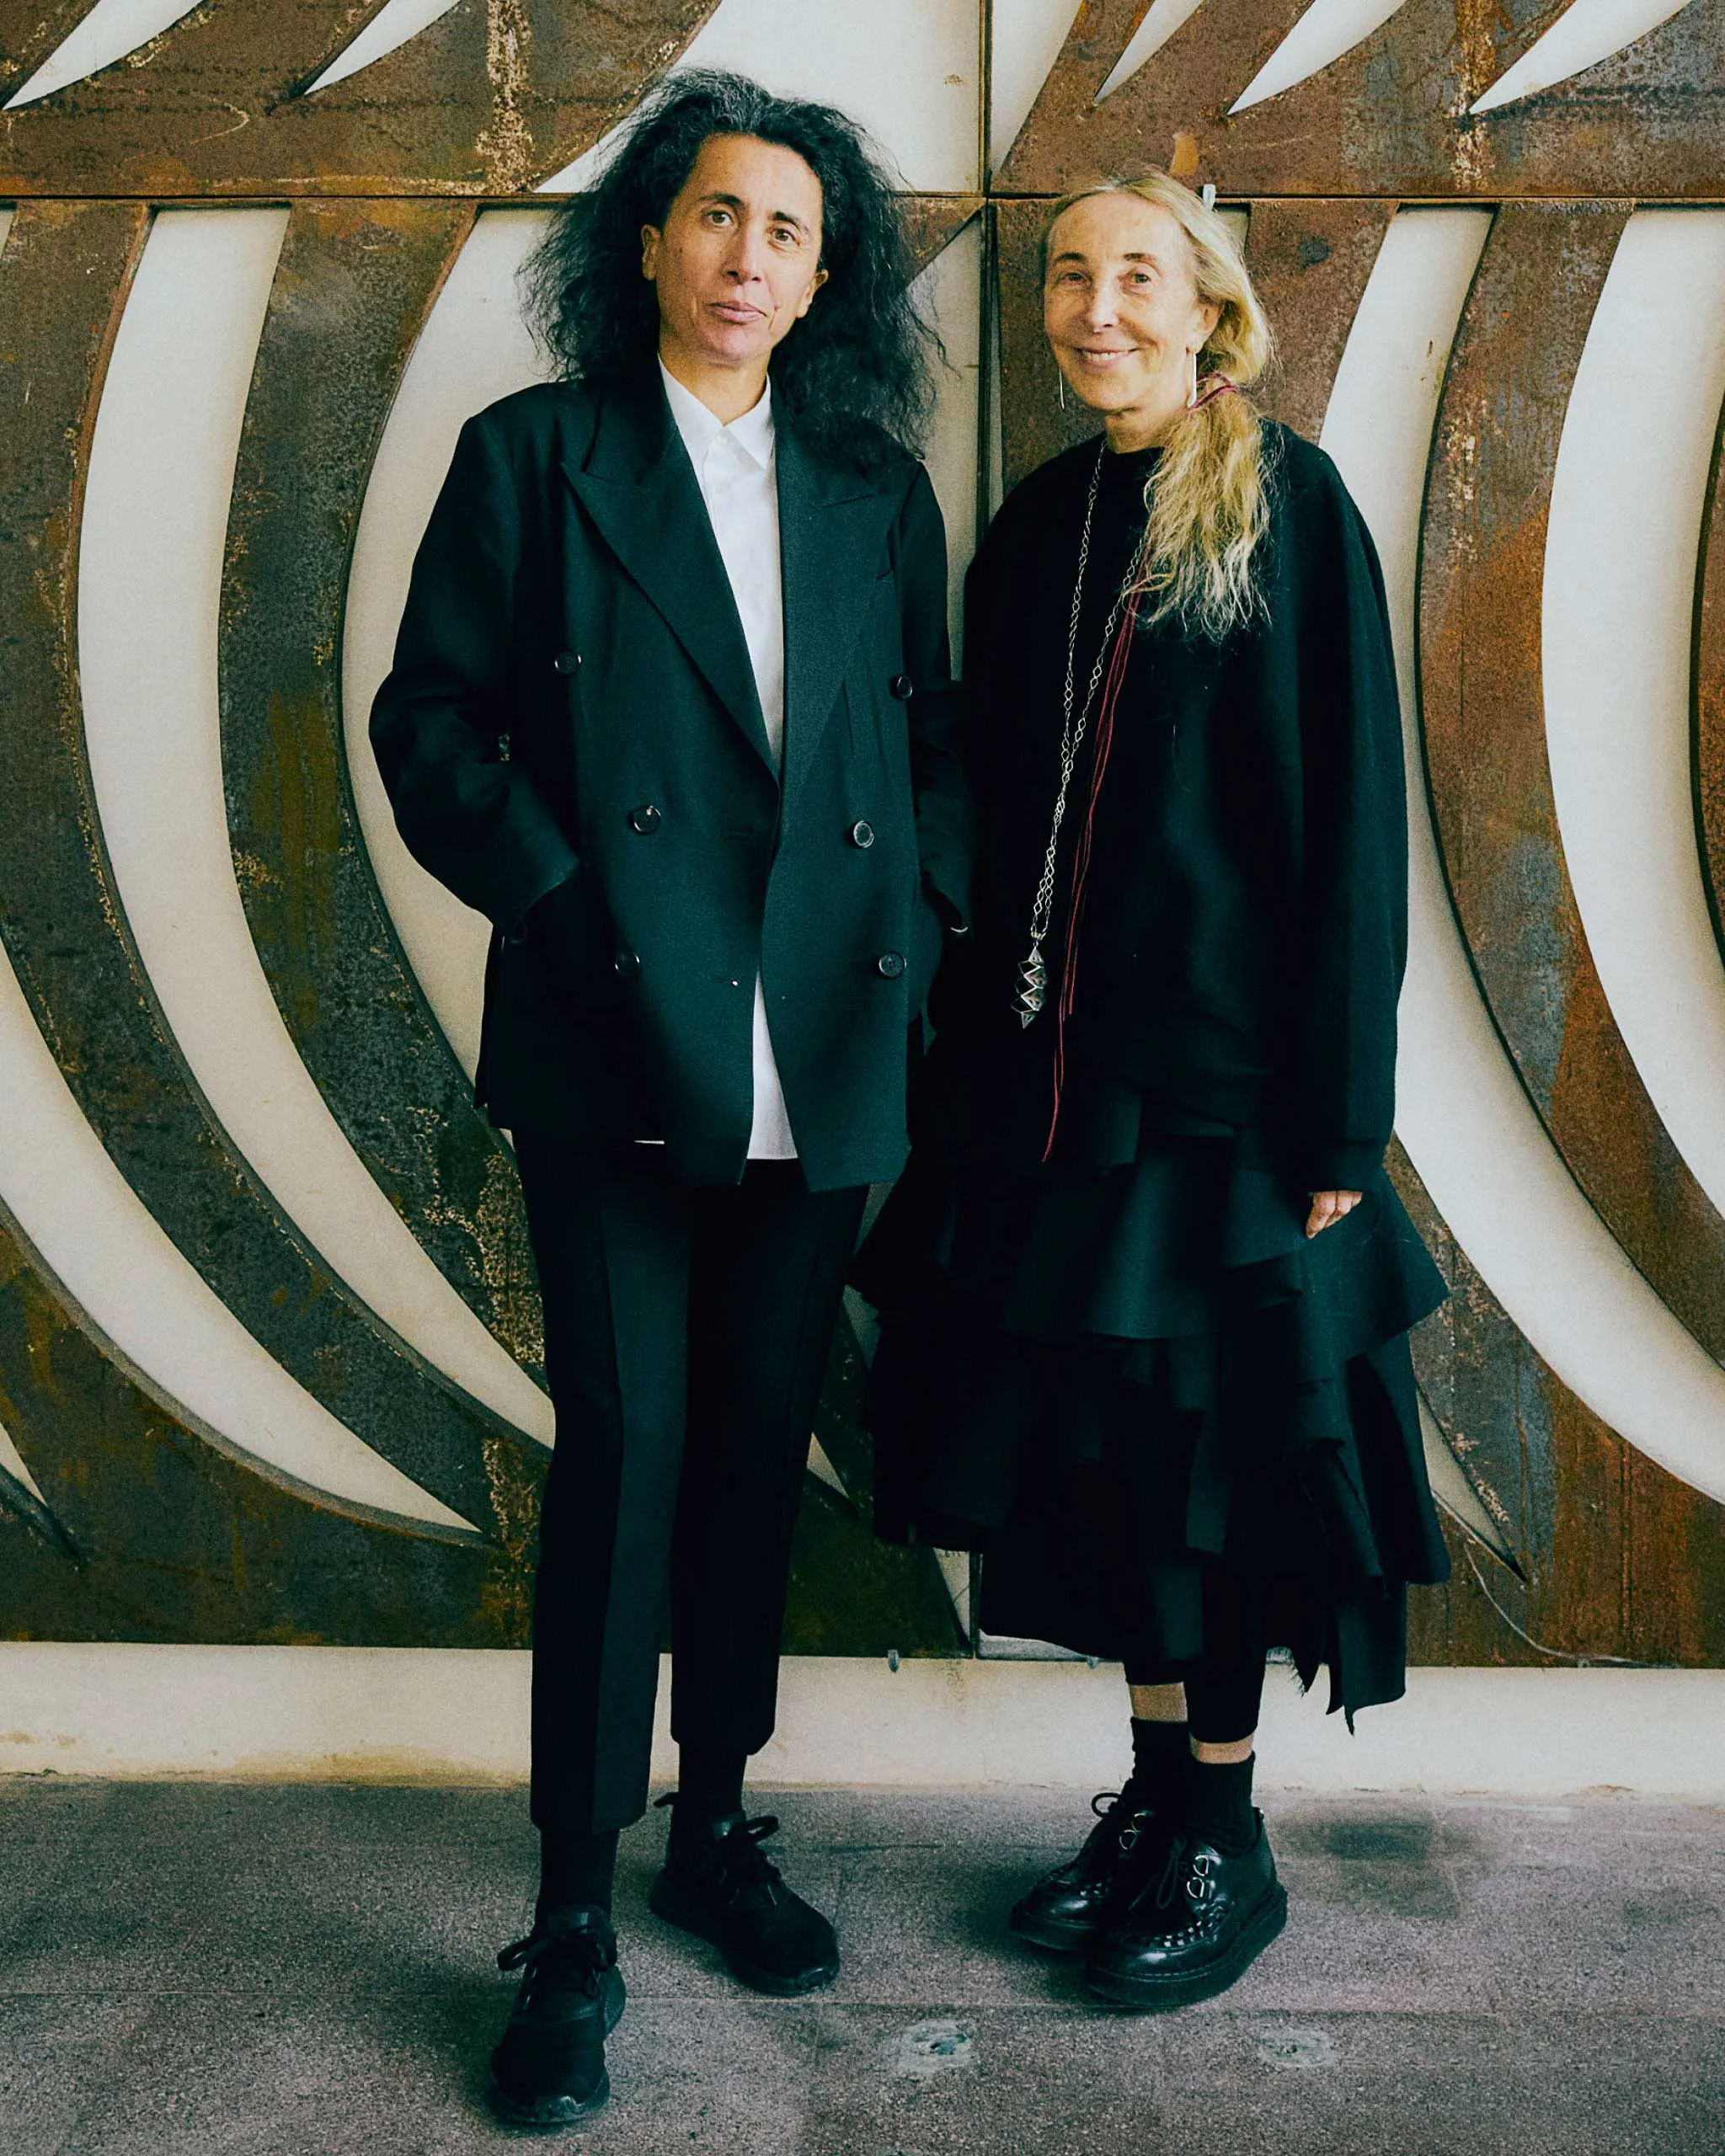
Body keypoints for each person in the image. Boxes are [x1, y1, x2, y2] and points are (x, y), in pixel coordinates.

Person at [370, 70, 969, 2126]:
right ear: (645, 239)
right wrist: (563, 901)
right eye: (717, 215)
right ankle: (570, 1913)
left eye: (788, 231)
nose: (746, 258)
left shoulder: (874, 486)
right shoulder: (534, 456)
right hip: (616, 1032)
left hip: (829, 1033)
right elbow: (429, 717)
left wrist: (926, 903)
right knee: (625, 1451)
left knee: (750, 1448)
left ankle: (715, 1822)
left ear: (823, 278)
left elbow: (934, 737)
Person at [852, 170, 1450, 2013]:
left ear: (1208, 310)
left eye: (1136, 275)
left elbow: (1353, 824)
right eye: (1068, 276)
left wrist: (1340, 1118)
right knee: (1107, 1477)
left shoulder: (1285, 500)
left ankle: (1225, 1838)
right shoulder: (1040, 519)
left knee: (1210, 1477)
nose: (1096, 307)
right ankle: (1157, 1795)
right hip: (1044, 1096)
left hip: (1221, 1104)